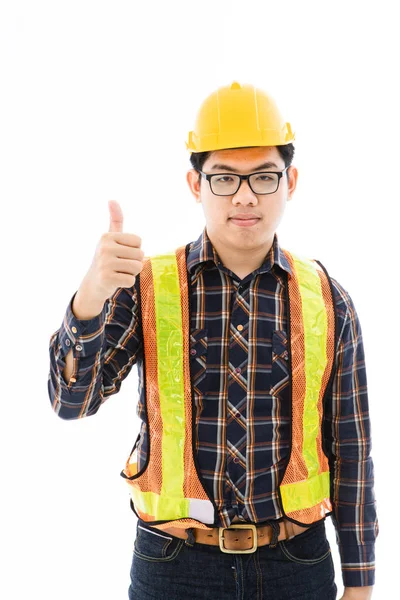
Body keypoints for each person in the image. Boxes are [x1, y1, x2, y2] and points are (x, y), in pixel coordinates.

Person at [48, 81, 379, 600]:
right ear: (194, 184)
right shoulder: (145, 287)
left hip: (299, 563)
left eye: (264, 176)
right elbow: (72, 402)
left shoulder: (328, 298)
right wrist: (89, 299)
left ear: (290, 181)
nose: (245, 195)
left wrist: (360, 583)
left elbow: (352, 450)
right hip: (173, 566)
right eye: (224, 177)